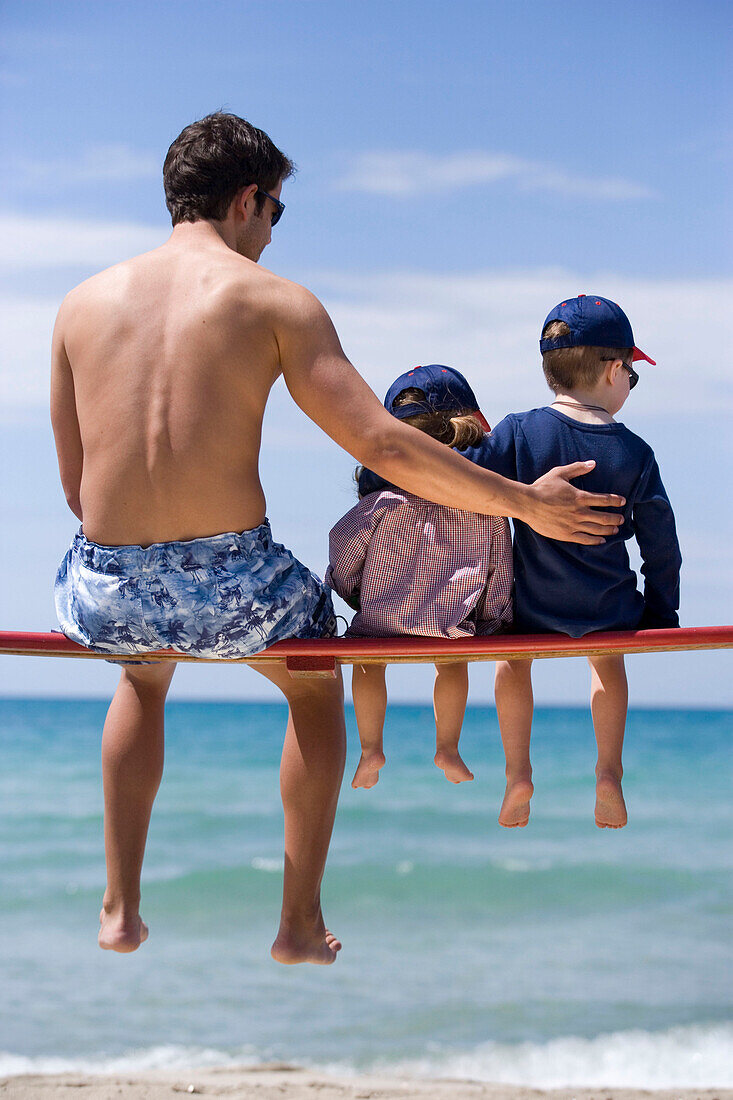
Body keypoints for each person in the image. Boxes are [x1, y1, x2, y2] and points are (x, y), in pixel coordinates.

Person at [49, 113, 628, 965]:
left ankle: (119, 906)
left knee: (141, 678)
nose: (271, 231)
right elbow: (384, 447)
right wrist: (523, 504)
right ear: (249, 199)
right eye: (276, 212)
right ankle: (296, 922)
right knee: (313, 676)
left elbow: (75, 484)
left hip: (105, 587)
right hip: (230, 580)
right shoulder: (272, 300)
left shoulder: (78, 303)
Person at [464, 295, 681, 830]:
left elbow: (462, 479)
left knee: (513, 662)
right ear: (613, 371)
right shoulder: (635, 452)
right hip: (608, 608)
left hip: (530, 608)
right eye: (633, 373)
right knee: (608, 663)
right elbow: (661, 545)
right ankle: (608, 774)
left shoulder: (519, 431)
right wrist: (661, 614)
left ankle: (518, 774)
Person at [327, 365, 513, 788]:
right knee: (452, 665)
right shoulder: (485, 508)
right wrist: (492, 621)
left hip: (380, 620)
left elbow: (343, 554)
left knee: (368, 666)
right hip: (449, 626)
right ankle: (447, 747)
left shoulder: (380, 505)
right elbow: (498, 571)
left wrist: (357, 596)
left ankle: (371, 748)